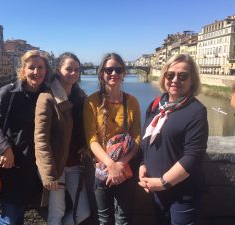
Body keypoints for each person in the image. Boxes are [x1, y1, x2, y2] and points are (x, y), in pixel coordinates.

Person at [138, 54, 209, 225]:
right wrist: (142, 163)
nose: (175, 80)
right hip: (157, 191)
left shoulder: (196, 111)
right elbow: (146, 141)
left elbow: (193, 156)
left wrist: (163, 183)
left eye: (183, 76)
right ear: (164, 77)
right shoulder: (156, 104)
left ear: (192, 80)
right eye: (170, 75)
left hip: (183, 194)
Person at [0, 50, 51, 225]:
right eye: (31, 67)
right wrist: (5, 148)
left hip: (36, 169)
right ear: (23, 69)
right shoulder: (8, 93)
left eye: (40, 67)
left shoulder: (50, 95)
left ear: (46, 71)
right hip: (13, 166)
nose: (36, 72)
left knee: (17, 216)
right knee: (11, 219)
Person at [83, 52, 141, 224]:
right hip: (102, 168)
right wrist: (111, 165)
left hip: (126, 167)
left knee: (123, 219)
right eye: (109, 70)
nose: (113, 73)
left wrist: (121, 164)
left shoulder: (132, 102)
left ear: (124, 74)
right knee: (104, 219)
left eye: (118, 69)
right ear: (102, 74)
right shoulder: (91, 102)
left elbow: (137, 137)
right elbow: (91, 139)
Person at [34, 52, 91, 225]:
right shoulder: (47, 97)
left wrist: (87, 145)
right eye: (69, 69)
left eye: (77, 70)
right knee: (56, 212)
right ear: (58, 70)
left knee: (83, 212)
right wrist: (48, 174)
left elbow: (86, 128)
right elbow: (41, 138)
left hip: (74, 164)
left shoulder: (81, 97)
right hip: (56, 165)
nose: (74, 73)